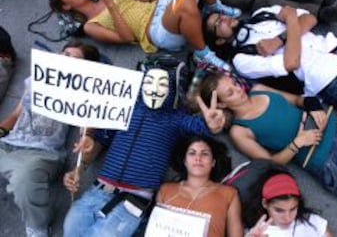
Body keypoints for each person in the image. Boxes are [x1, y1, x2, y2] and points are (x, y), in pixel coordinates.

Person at [196, 72, 337, 226]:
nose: (238, 90)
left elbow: (298, 99)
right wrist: (297, 143)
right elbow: (270, 164)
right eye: (230, 92)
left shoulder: (259, 90)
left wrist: (313, 105)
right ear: (222, 104)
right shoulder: (239, 131)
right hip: (331, 161)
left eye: (234, 83)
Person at [62, 59, 227, 236]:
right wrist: (79, 168)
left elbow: (201, 125)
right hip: (97, 191)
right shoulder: (123, 108)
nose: (154, 89)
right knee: (69, 230)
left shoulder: (177, 118)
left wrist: (213, 124)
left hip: (132, 202)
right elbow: (97, 144)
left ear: (174, 87)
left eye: (162, 84)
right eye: (149, 82)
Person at [204, 4, 337, 129]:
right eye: (216, 24)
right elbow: (291, 62)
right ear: (220, 41)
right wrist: (290, 21)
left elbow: (309, 18)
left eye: (220, 14)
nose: (223, 18)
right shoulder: (242, 59)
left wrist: (280, 40)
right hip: (334, 79)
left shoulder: (262, 13)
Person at [49, 0, 241, 70]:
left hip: (159, 6)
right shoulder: (91, 25)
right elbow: (127, 37)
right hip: (156, 30)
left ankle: (211, 5)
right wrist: (110, 4)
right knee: (182, 3)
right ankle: (202, 53)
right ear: (66, 6)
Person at [0, 40, 101, 237]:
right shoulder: (37, 78)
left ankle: (37, 226)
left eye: (72, 57)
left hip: (40, 153)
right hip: (8, 144)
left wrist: (83, 152)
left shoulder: (84, 92)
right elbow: (15, 115)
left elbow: (87, 128)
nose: (65, 57)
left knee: (24, 183)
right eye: (64, 53)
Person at [155, 135, 243, 237]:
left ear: (213, 162)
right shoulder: (165, 190)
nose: (198, 158)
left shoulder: (229, 194)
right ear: (184, 161)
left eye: (204, 154)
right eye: (192, 153)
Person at [246, 173, 333, 237]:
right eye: (279, 210)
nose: (287, 218)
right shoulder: (260, 233)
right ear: (265, 204)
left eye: (292, 209)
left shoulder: (312, 221)